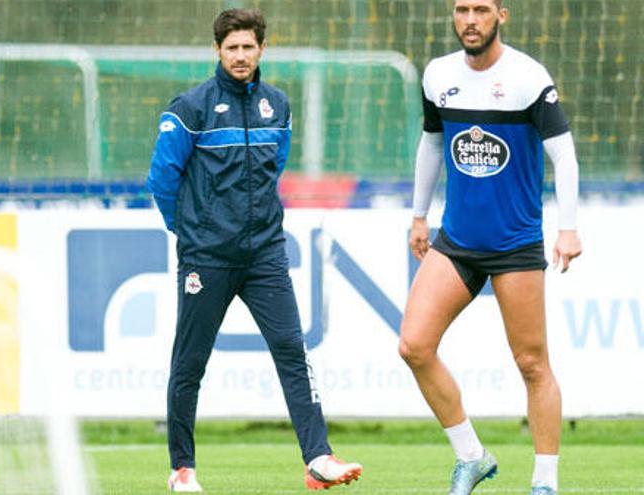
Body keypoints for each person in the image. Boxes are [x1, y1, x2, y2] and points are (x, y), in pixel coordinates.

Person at [147, 8, 362, 493]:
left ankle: (318, 458)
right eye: (231, 48)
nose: (240, 56)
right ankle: (182, 468)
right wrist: (193, 233)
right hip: (207, 258)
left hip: (265, 254)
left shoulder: (278, 106)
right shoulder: (189, 109)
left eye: (248, 47)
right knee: (190, 362)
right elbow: (161, 180)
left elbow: (274, 170)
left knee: (291, 350)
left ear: (262, 49)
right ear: (217, 51)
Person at [399, 1, 582, 494]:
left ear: (501, 15)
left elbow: (562, 153)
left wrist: (568, 227)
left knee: (532, 364)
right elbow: (433, 143)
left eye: (481, 9)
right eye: (461, 9)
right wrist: (419, 216)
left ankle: (544, 483)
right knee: (413, 346)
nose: (470, 19)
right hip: (456, 240)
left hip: (514, 244)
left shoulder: (527, 76)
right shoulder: (438, 75)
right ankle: (472, 456)